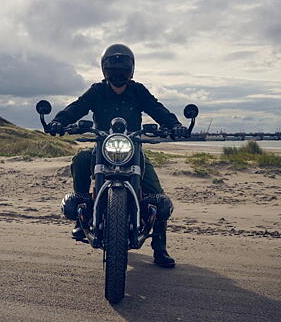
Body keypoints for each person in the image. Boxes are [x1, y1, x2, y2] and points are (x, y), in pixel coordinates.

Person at [46, 43, 187, 268]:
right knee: (81, 159)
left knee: (158, 196)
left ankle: (160, 249)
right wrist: (59, 121)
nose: (118, 75)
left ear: (131, 71)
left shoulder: (138, 91)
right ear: (105, 71)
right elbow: (77, 107)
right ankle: (82, 217)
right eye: (114, 71)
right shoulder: (97, 91)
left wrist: (175, 125)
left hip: (134, 149)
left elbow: (157, 109)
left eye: (122, 70)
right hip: (102, 148)